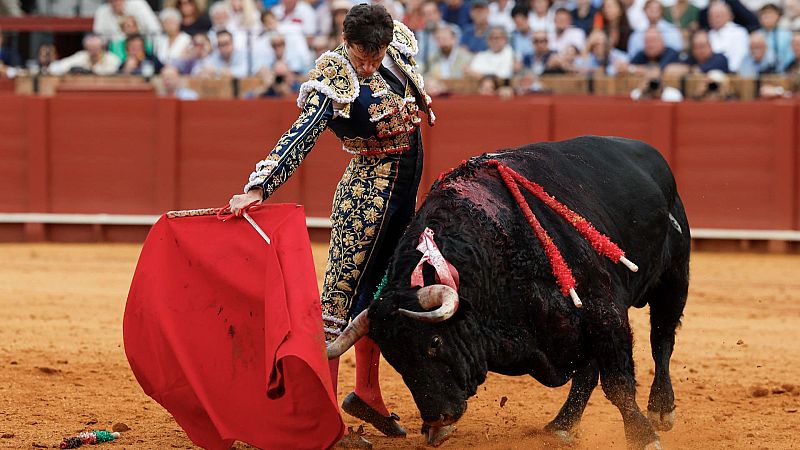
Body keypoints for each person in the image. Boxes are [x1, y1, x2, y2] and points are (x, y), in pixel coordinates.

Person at [227, 5, 434, 447]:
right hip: (366, 197)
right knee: (340, 303)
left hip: (402, 193)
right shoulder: (333, 74)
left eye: (376, 56)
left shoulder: (396, 44)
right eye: (363, 56)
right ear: (346, 41)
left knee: (381, 294)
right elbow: (302, 133)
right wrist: (260, 185)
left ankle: (367, 394)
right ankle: (322, 418)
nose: (369, 65)